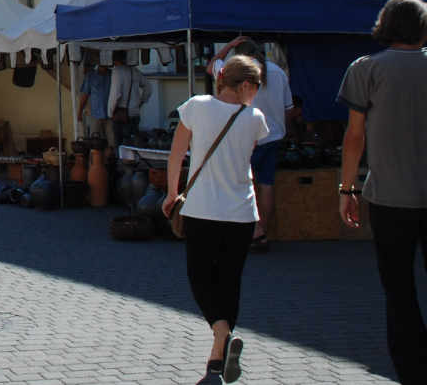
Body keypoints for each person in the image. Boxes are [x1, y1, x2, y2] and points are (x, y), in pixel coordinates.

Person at [337, 0, 427, 385]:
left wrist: (346, 188)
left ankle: (411, 369)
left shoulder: (366, 69)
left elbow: (354, 136)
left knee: (398, 288)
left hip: (390, 196)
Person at [162, 55, 269, 384]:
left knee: (200, 279)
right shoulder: (255, 117)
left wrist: (171, 193)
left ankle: (221, 334)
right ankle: (216, 361)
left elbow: (177, 153)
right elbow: (245, 158)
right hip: (240, 212)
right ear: (246, 85)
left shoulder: (196, 106)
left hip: (202, 209)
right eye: (257, 87)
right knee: (229, 283)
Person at [207, 37, 298, 252]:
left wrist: (227, 46)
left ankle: (246, 232)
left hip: (244, 138)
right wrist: (288, 131)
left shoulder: (233, 71)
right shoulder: (277, 72)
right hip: (273, 137)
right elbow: (289, 108)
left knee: (242, 186)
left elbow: (211, 65)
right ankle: (262, 231)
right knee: (266, 185)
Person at [105, 51, 150, 150]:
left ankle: (122, 164)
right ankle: (133, 163)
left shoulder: (117, 72)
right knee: (133, 144)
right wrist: (141, 102)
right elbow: (148, 87)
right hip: (135, 112)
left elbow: (115, 94)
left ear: (114, 60)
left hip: (121, 115)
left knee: (121, 146)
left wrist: (110, 112)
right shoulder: (134, 71)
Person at [77, 61, 111, 146]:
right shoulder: (91, 76)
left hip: (111, 115)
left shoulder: (113, 75)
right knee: (95, 143)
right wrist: (79, 112)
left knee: (112, 143)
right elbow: (84, 95)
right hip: (95, 115)